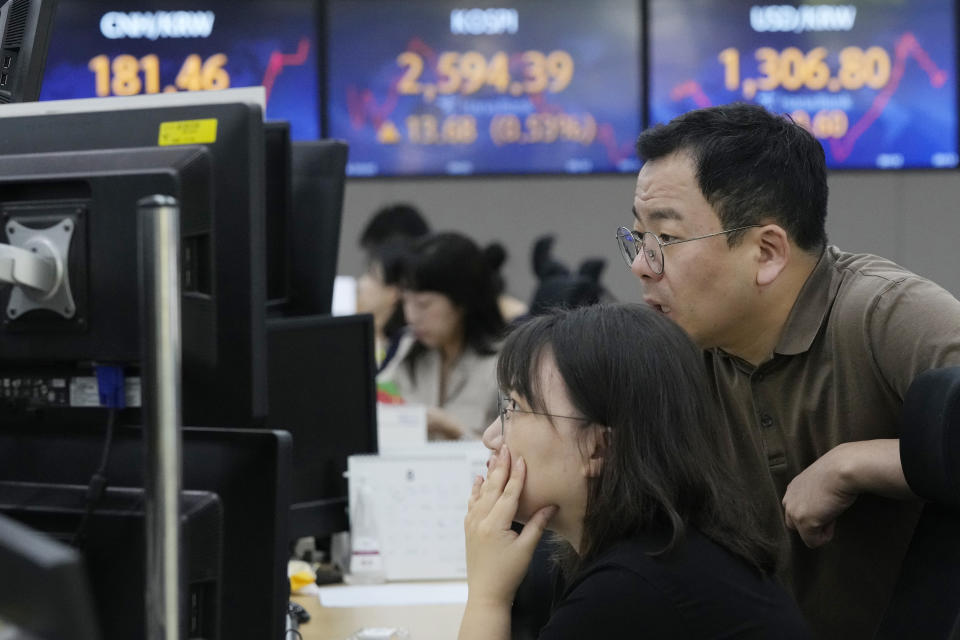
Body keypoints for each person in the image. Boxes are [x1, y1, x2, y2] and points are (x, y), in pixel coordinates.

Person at [618, 102, 960, 637]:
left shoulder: (884, 312)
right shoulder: (682, 352)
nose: (642, 263)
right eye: (638, 237)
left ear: (768, 251)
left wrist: (857, 463)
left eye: (666, 238)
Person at [459, 304, 810, 639]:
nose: (491, 437)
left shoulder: (630, 590)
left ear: (599, 448)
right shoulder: (663, 550)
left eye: (516, 409)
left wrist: (487, 597)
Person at [378, 232, 507, 439]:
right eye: (405, 301)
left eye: (423, 304)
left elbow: (514, 456)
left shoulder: (506, 364)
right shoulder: (409, 344)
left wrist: (453, 429)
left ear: (462, 302)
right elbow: (378, 403)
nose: (411, 316)